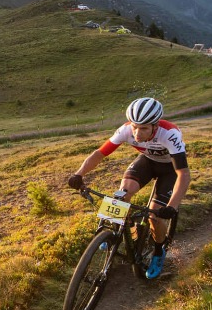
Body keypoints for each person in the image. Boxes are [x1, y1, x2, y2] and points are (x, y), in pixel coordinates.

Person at [66, 97, 191, 279]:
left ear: (155, 126)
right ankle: (111, 231)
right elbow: (100, 153)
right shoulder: (126, 130)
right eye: (134, 127)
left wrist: (172, 206)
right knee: (122, 193)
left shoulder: (169, 134)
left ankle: (158, 252)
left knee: (155, 217)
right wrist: (79, 174)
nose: (137, 133)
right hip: (148, 161)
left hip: (170, 169)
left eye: (144, 128)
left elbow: (184, 174)